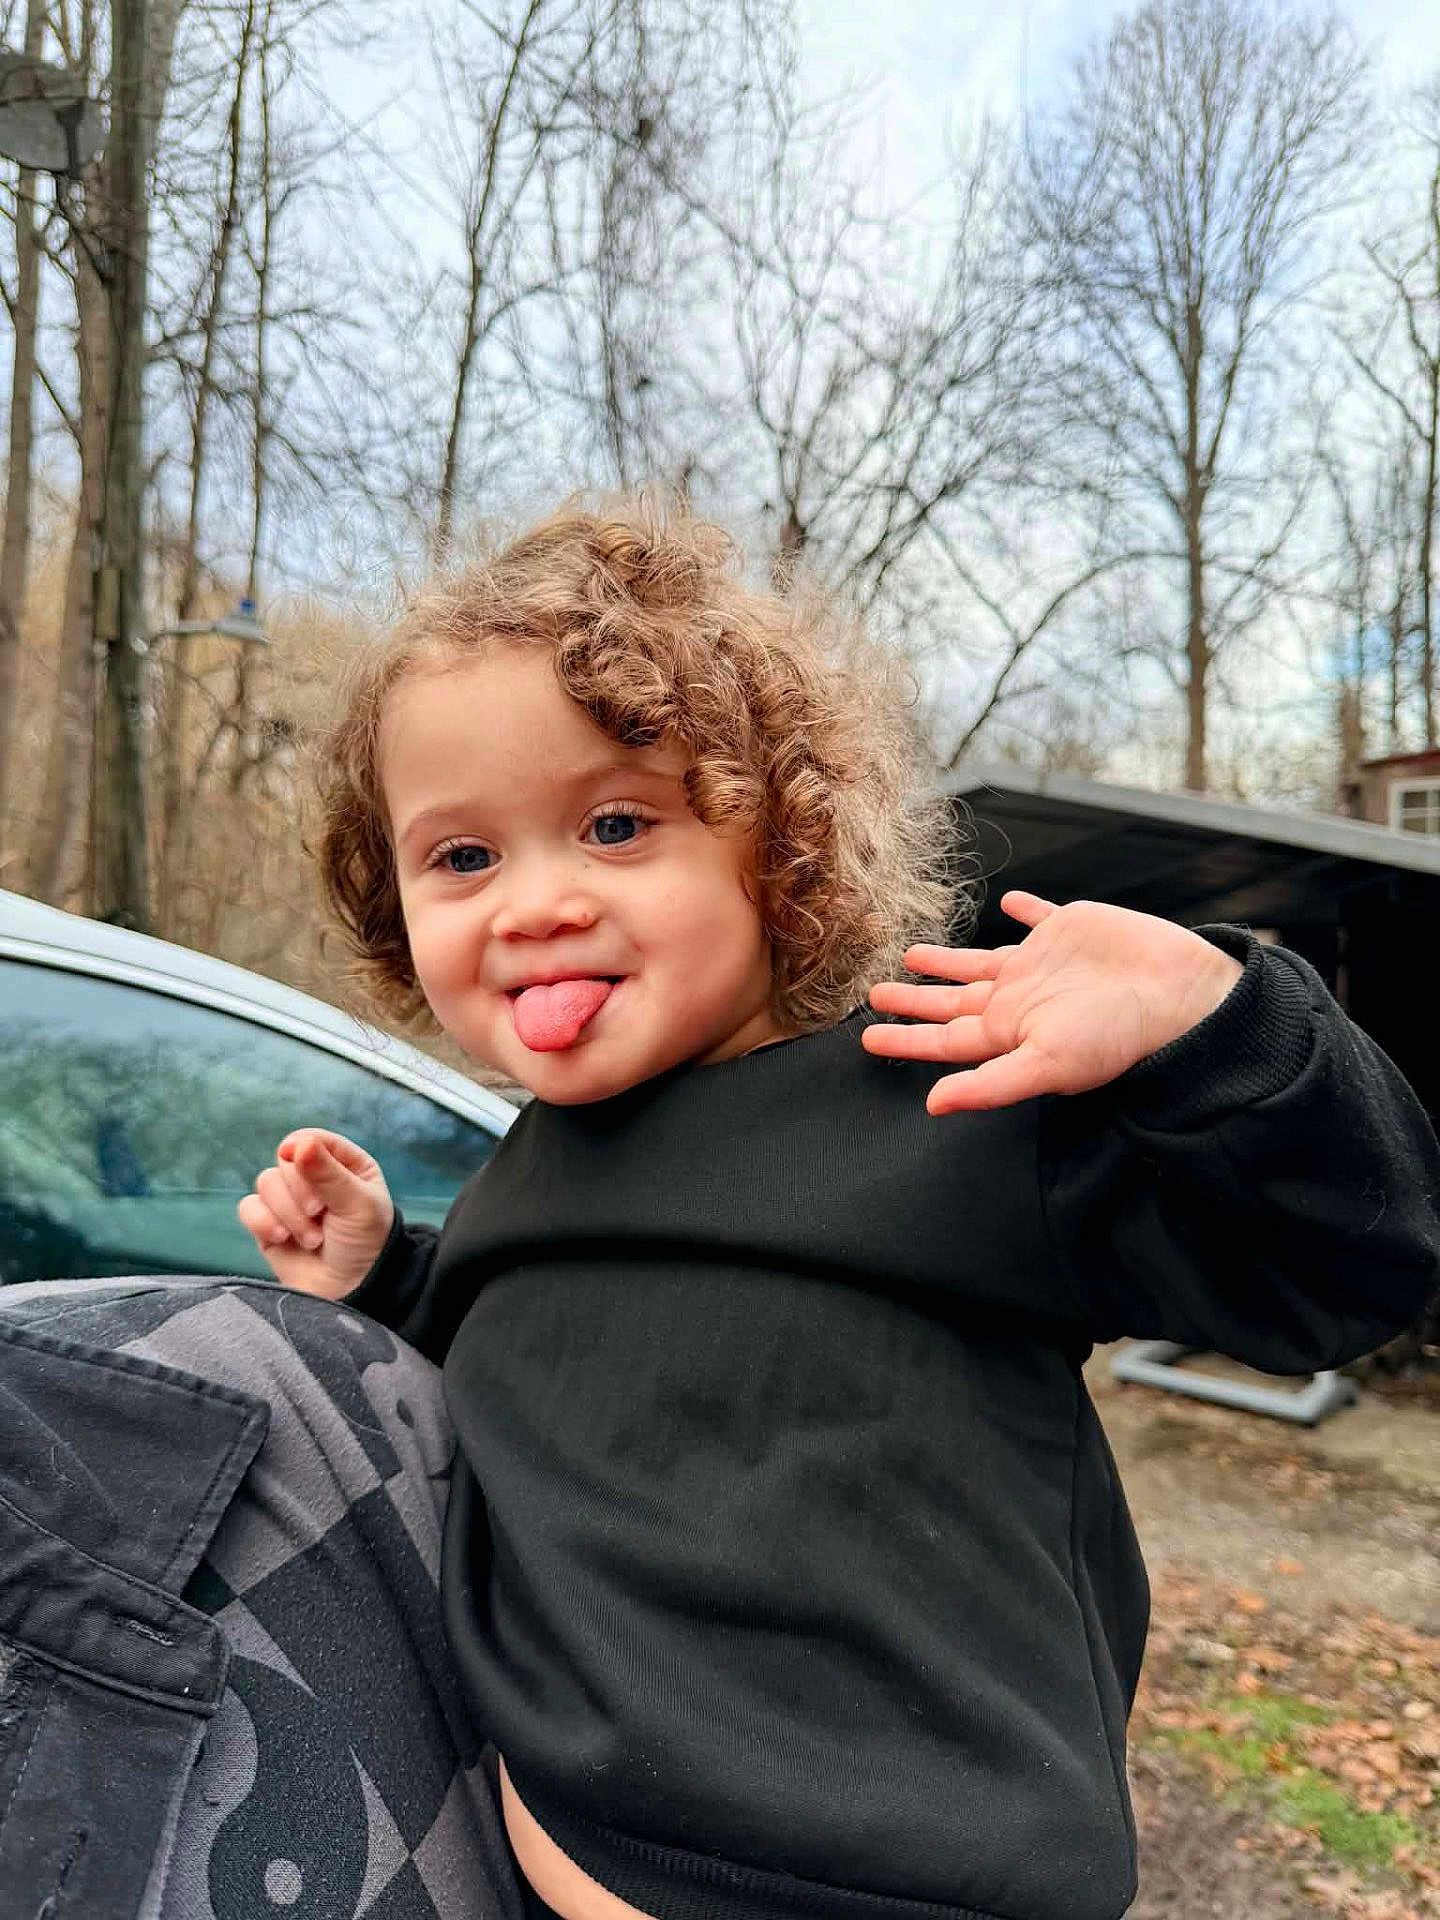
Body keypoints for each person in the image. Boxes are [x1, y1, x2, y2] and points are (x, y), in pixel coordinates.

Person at [230, 497, 1439, 1920]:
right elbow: (516, 1375)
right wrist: (385, 1285)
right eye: (463, 857)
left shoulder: (947, 1097)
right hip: (547, 1866)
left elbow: (1348, 1271)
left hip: (921, 1876)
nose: (533, 903)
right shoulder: (522, 1177)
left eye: (616, 824)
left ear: (780, 848)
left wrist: (1218, 1029)